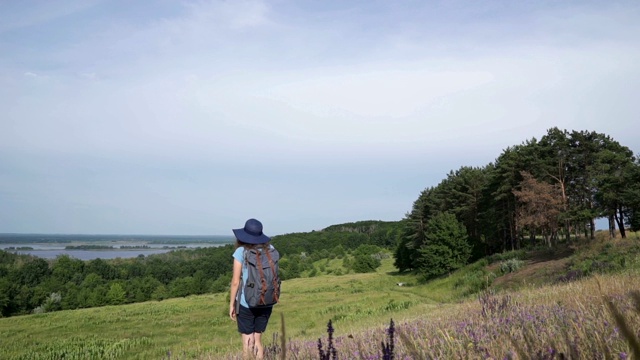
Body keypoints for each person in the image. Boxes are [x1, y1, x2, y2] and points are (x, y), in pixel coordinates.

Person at [229, 218, 275, 359]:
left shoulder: (241, 251)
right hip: (267, 300)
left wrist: (231, 304)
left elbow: (236, 281)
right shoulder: (270, 250)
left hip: (246, 302)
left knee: (247, 341)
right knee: (258, 340)